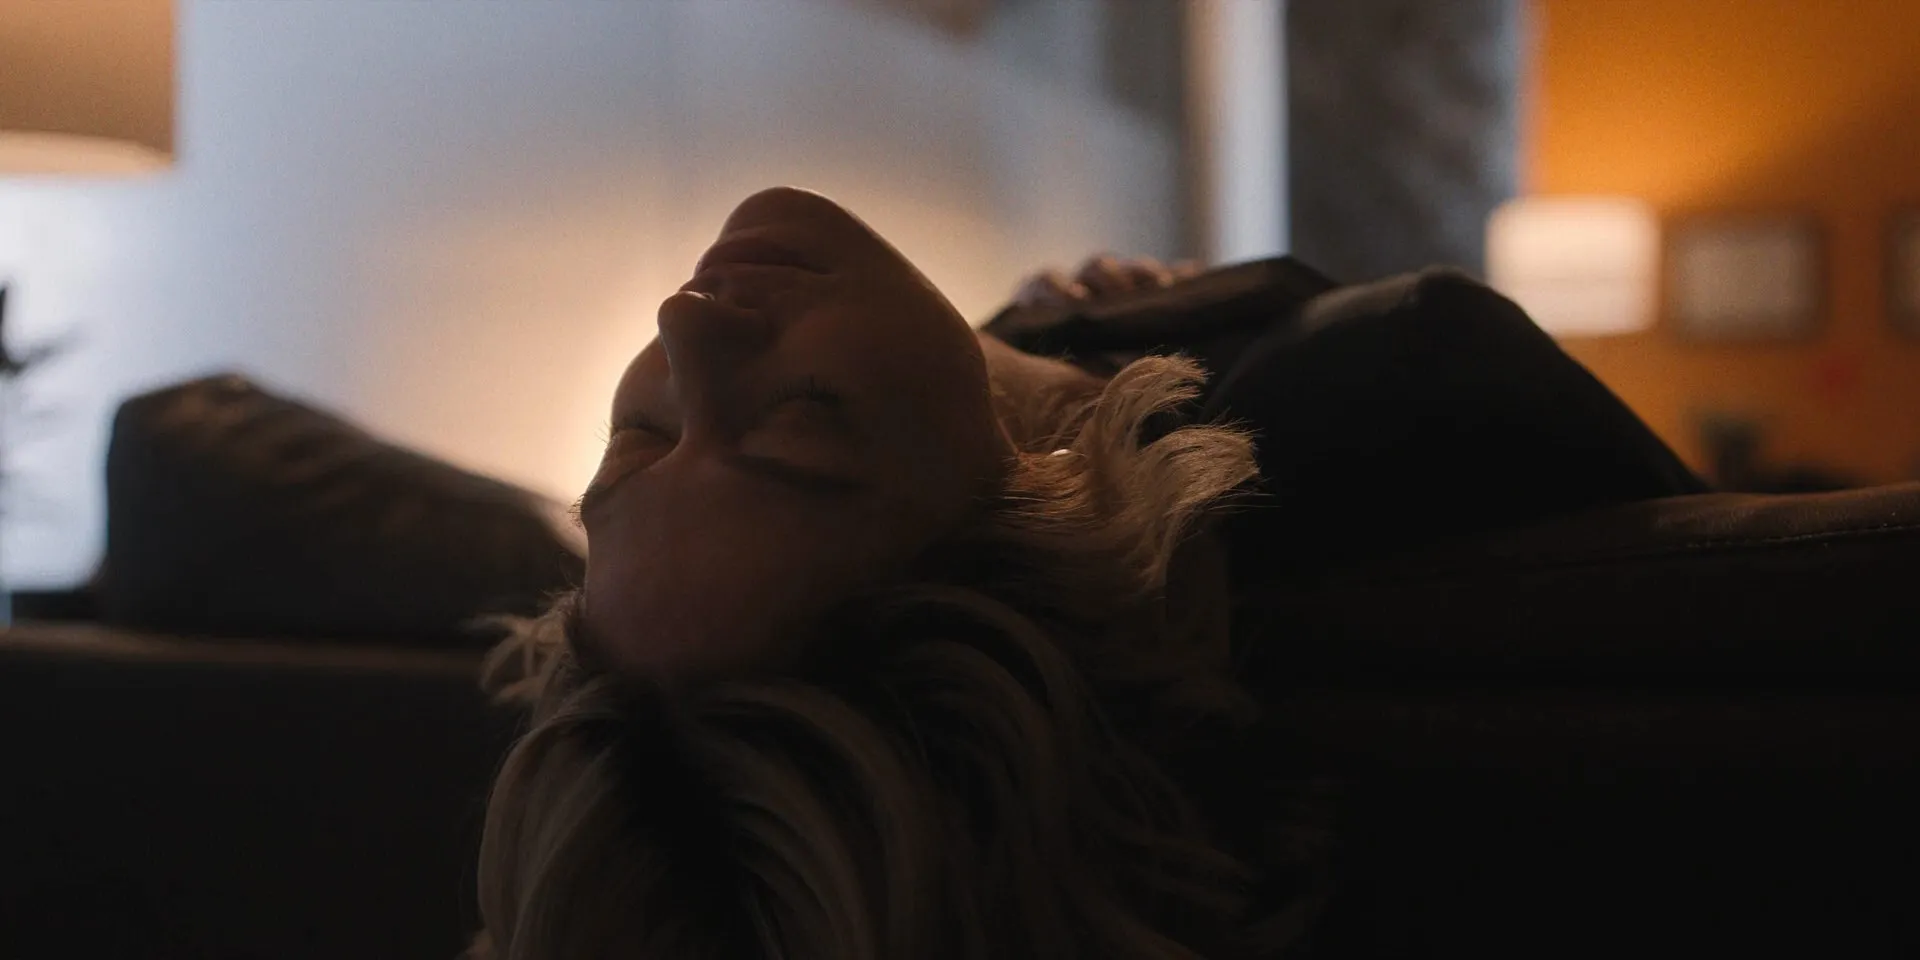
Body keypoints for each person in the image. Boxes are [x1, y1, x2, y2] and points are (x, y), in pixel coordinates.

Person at [471, 187, 1702, 960]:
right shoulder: (1411, 378)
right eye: (802, 425)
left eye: (634, 446)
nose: (683, 326)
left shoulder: (1004, 372)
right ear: (1037, 541)